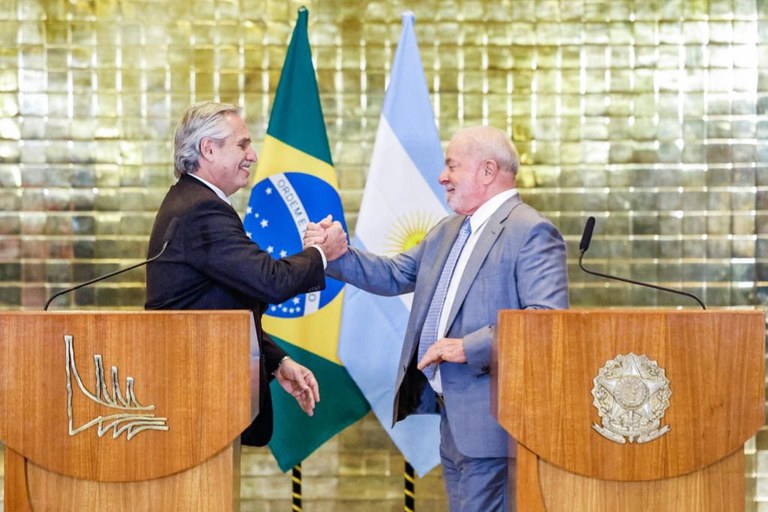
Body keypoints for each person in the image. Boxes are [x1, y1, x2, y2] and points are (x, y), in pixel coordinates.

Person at [304, 126, 569, 511]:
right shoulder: (449, 229)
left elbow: (547, 322)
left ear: (487, 171)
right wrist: (338, 254)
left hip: (496, 426)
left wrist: (468, 347)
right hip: (453, 423)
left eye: (452, 166)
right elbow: (393, 274)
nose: (442, 177)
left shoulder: (531, 231)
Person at [145, 101, 348, 446]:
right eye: (242, 145)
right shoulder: (201, 209)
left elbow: (220, 310)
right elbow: (270, 281)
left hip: (201, 400)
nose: (252, 156)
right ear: (208, 149)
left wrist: (277, 361)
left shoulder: (193, 201)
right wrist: (320, 252)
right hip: (199, 401)